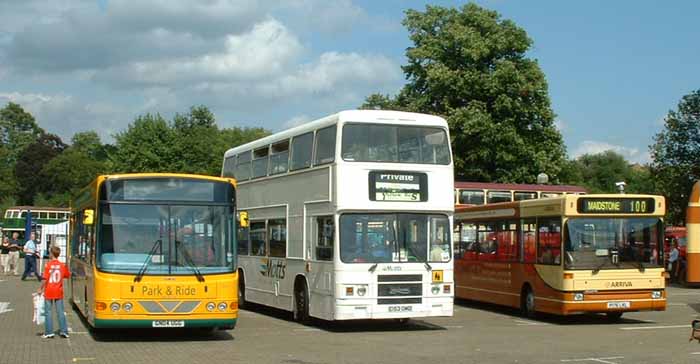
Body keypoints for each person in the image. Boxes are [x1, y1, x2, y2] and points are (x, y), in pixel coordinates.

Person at [38, 245, 70, 338]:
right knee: (60, 311)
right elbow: (67, 275)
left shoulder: (48, 265)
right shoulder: (62, 265)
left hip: (49, 291)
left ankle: (49, 332)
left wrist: (40, 289)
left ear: (51, 254)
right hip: (58, 291)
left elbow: (45, 279)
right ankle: (64, 331)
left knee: (48, 312)